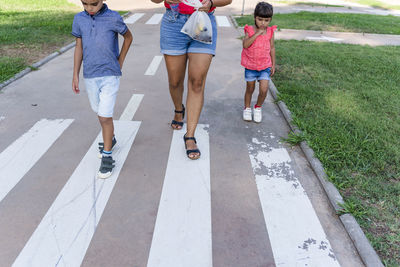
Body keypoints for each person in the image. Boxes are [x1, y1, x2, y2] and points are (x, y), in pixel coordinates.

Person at [151, 0, 231, 160]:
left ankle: (190, 135)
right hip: (174, 23)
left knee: (197, 82)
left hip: (202, 20)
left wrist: (212, 2)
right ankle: (178, 109)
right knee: (175, 81)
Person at [71, 0, 133, 178]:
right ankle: (110, 139)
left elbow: (128, 37)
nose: (89, 8)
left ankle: (107, 157)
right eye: (85, 4)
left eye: (94, 4)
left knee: (105, 116)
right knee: (99, 112)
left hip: (109, 75)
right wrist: (75, 74)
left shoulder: (113, 18)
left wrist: (120, 61)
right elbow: (78, 46)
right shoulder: (79, 19)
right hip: (90, 75)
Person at [241, 2, 276, 123]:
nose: (263, 23)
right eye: (260, 19)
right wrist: (257, 33)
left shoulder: (271, 32)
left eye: (266, 20)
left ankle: (258, 107)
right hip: (250, 66)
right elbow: (245, 45)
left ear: (270, 20)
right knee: (250, 88)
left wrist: (273, 64)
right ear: (254, 17)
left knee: (264, 89)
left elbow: (272, 48)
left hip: (265, 65)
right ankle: (247, 108)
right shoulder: (249, 30)